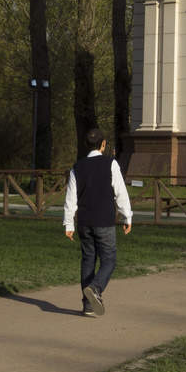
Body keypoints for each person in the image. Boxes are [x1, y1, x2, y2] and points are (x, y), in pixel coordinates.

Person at [63, 127, 133, 317]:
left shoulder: (77, 167)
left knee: (88, 261)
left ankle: (87, 306)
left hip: (84, 222)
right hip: (104, 221)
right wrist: (127, 216)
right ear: (103, 144)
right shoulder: (111, 163)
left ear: (87, 145)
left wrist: (68, 224)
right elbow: (120, 192)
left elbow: (70, 199)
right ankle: (95, 288)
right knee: (109, 260)